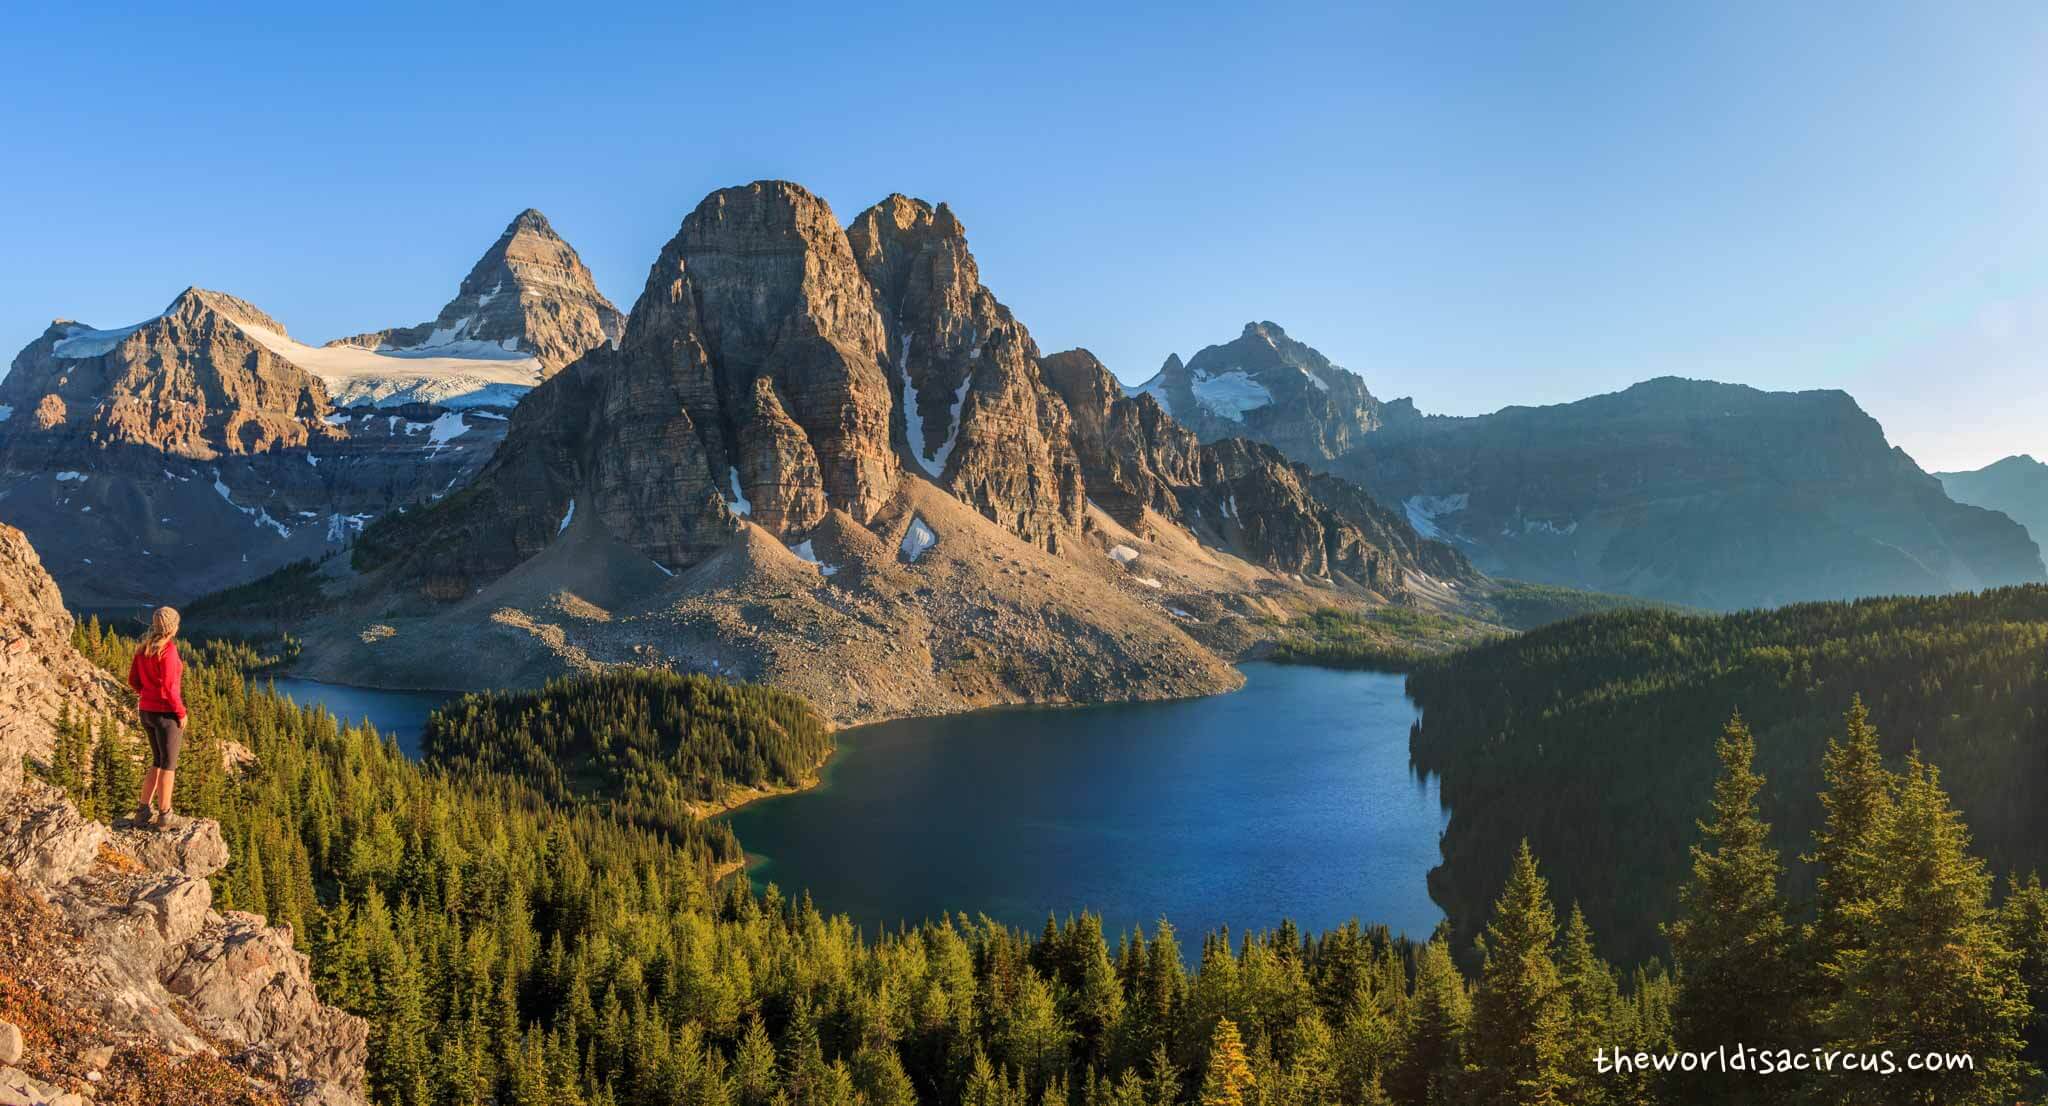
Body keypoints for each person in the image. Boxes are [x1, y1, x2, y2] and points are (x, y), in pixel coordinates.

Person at [126, 606, 189, 830]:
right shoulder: (169, 652)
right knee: (168, 765)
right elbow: (171, 690)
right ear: (173, 627)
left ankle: (143, 811)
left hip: (147, 712)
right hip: (165, 715)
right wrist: (180, 713)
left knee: (156, 761)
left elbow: (133, 680)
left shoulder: (144, 649)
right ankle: (165, 815)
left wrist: (147, 695)